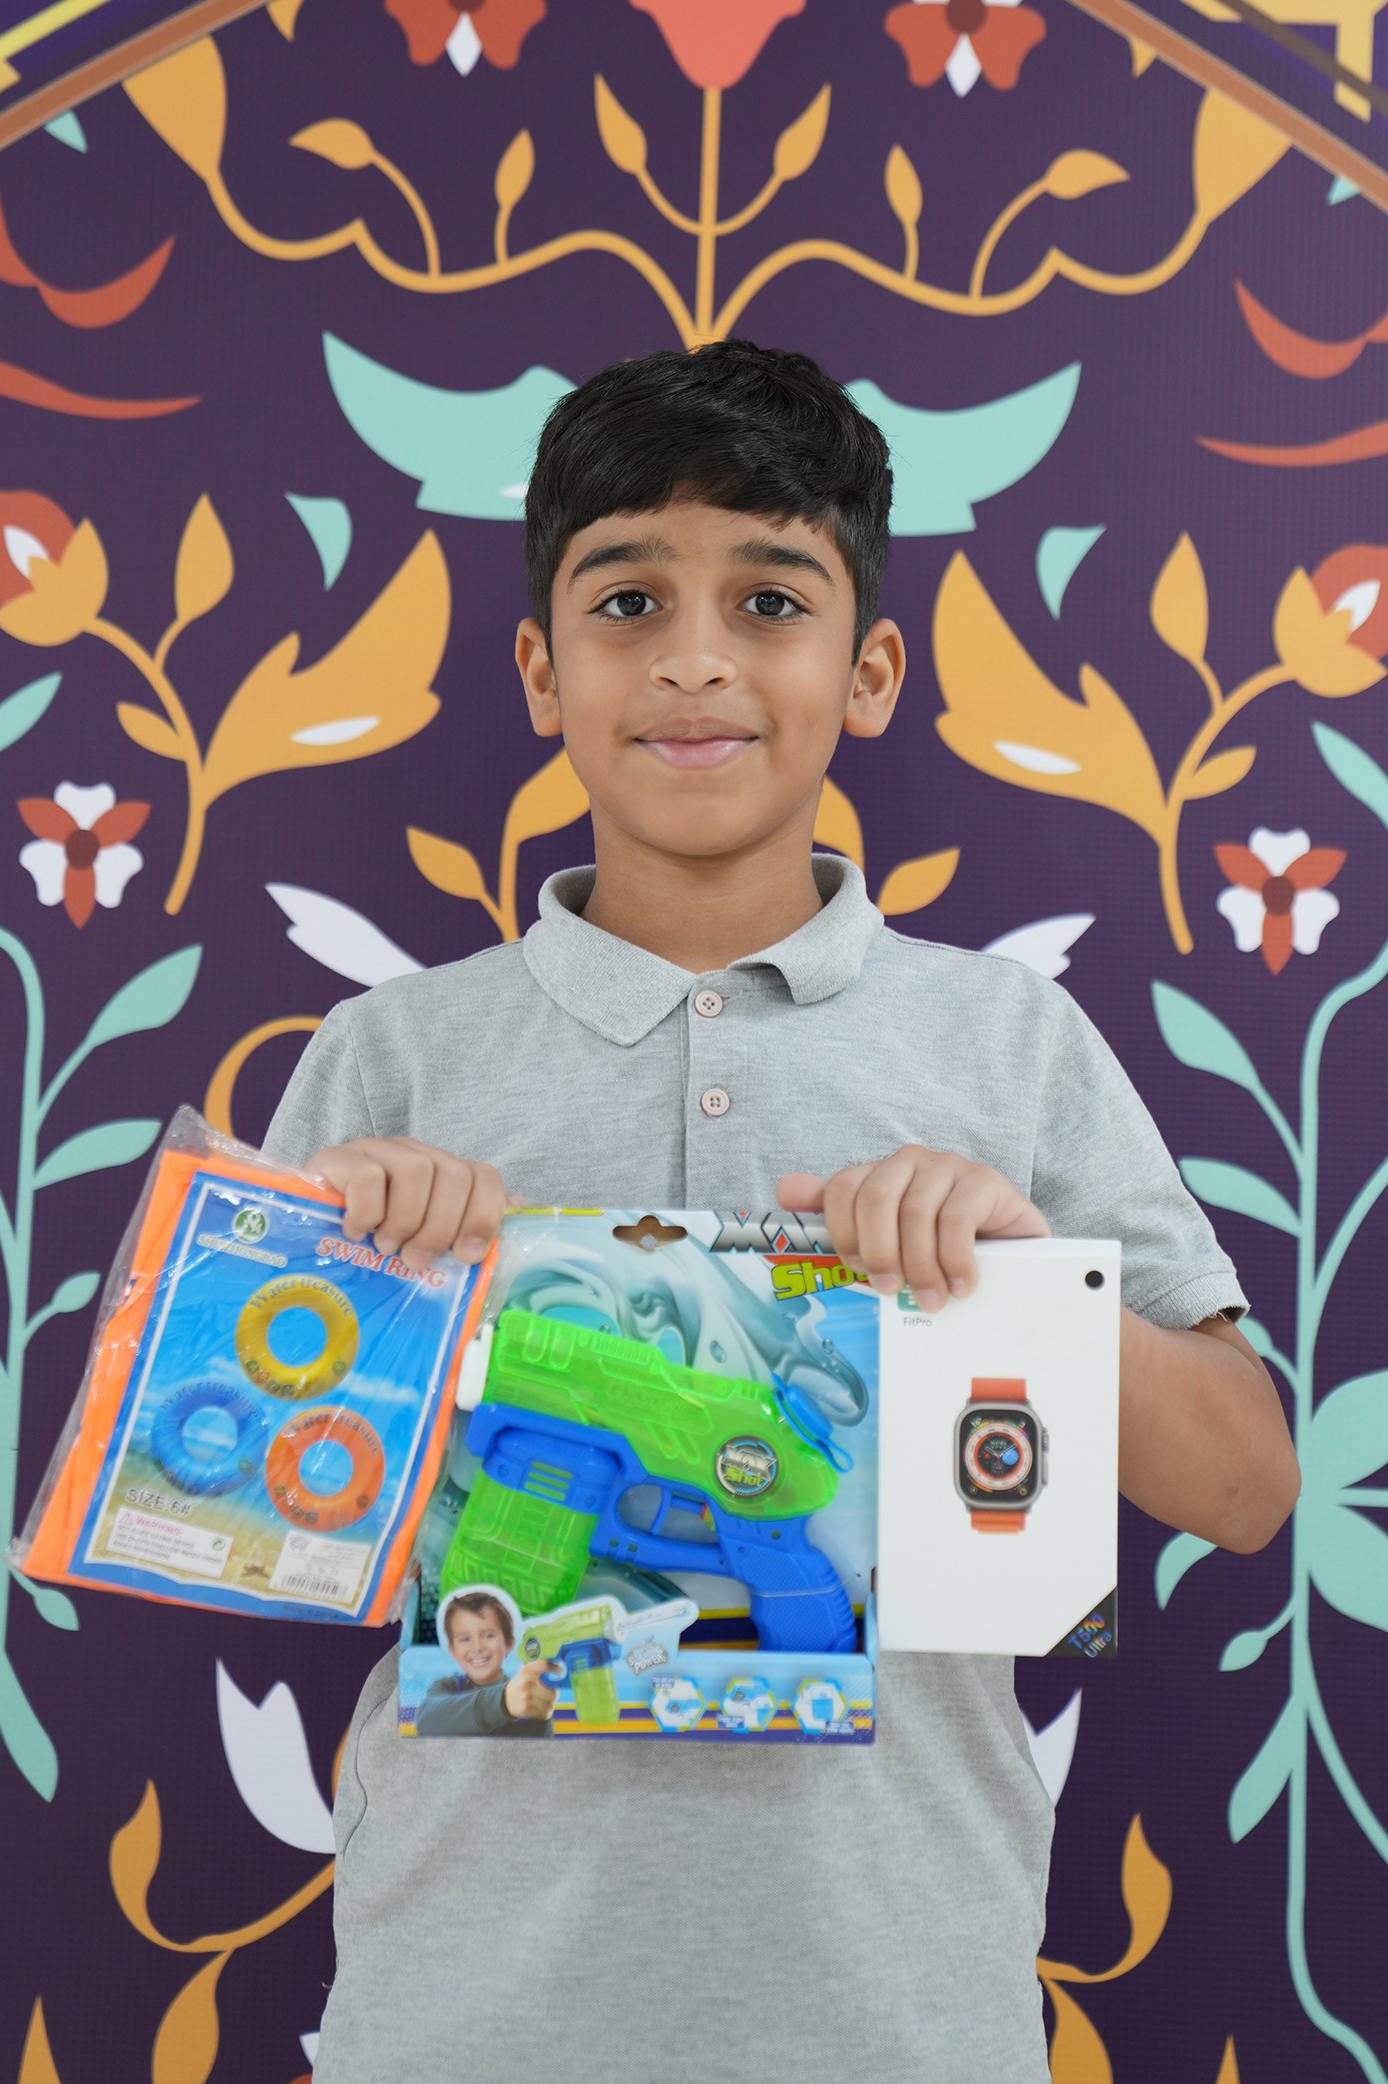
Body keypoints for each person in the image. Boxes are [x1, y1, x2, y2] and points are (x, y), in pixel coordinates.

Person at [263, 339, 1299, 2083]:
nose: (693, 657)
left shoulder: (1011, 1042)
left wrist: (1022, 1283)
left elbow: (1247, 1485)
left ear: (868, 668)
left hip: (899, 2011)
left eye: (767, 599)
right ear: (539, 669)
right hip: (461, 2014)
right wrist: (358, 1286)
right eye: (625, 601)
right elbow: (256, 1523)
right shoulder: (388, 1058)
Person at [414, 1588, 557, 1737]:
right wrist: (503, 1701)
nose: (477, 1647)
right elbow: (426, 1722)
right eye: (465, 1639)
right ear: (453, 1650)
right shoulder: (447, 1687)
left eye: (488, 1636)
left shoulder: (528, 1693)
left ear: (509, 1642)